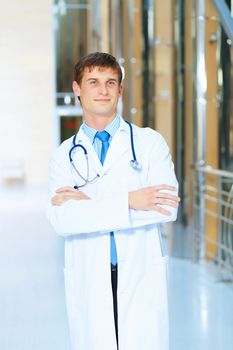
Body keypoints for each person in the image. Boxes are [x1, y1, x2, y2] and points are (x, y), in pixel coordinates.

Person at [47, 52, 180, 350]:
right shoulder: (63, 155)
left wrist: (89, 202)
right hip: (88, 273)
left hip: (140, 271)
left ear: (121, 90)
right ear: (77, 88)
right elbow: (63, 220)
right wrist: (133, 200)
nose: (103, 90)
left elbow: (167, 206)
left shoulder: (149, 143)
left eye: (111, 82)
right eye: (93, 82)